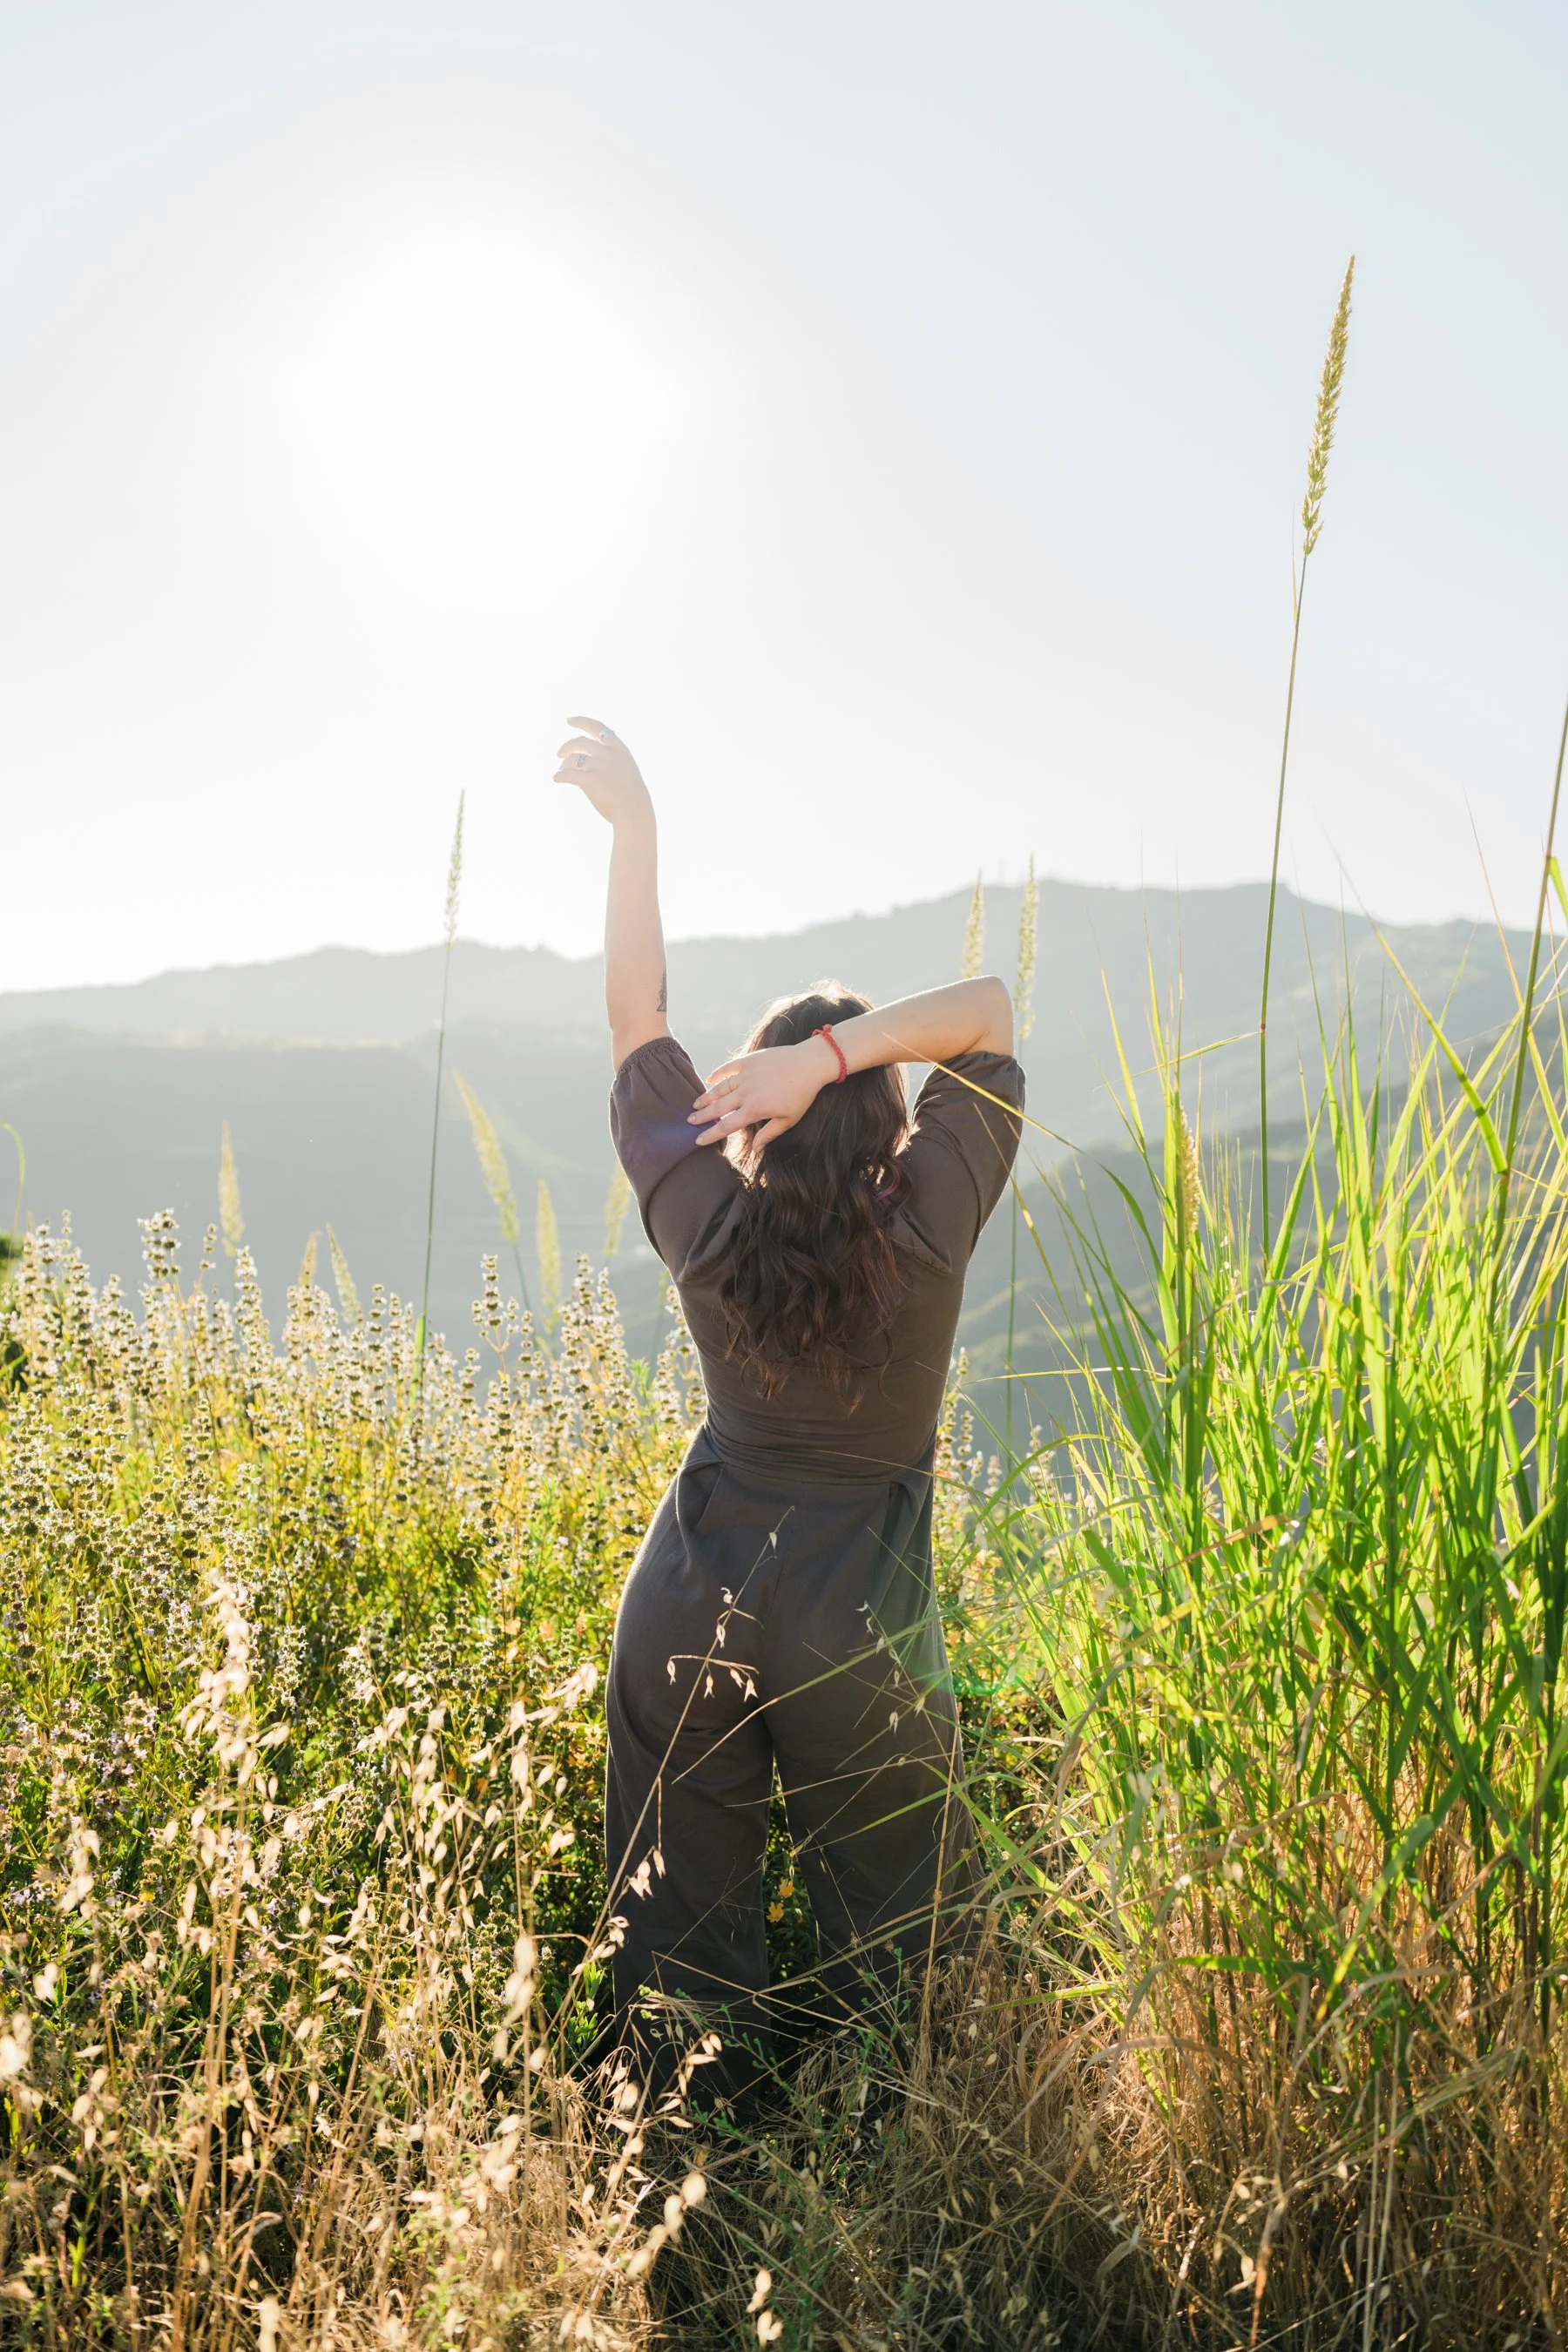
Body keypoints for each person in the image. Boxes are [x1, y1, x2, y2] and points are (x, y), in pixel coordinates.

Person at [555, 717, 1024, 2101]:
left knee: (674, 1945)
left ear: (747, 1114)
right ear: (888, 1119)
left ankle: (684, 2165)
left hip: (688, 1596)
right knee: (903, 1948)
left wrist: (636, 828)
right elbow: (989, 1013)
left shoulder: (705, 1215)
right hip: (858, 1622)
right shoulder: (929, 1225)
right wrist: (830, 1059)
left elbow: (634, 1021)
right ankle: (889, 2149)